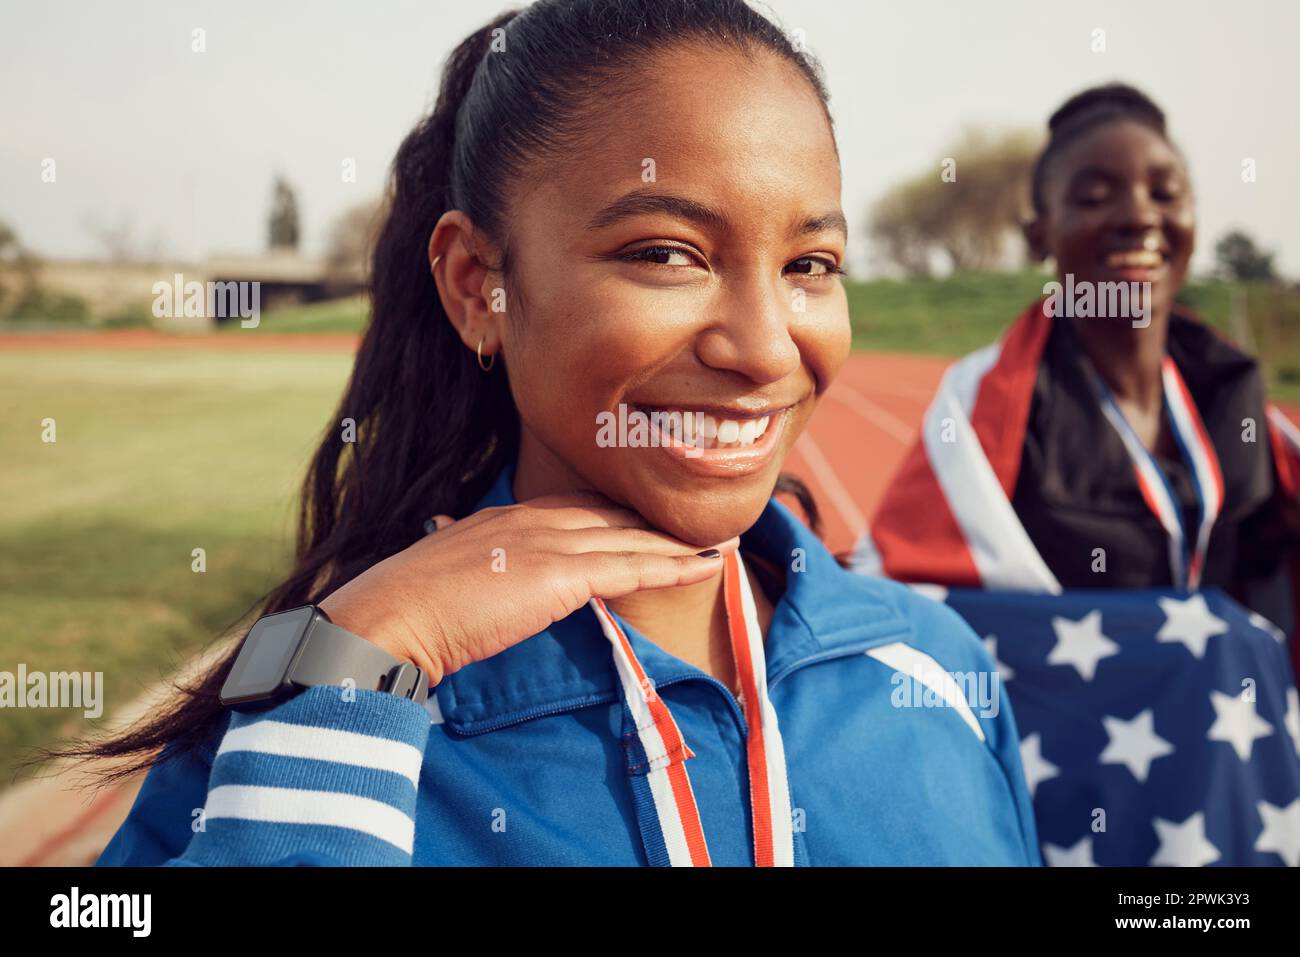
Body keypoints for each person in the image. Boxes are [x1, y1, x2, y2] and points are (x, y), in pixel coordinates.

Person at [84, 0, 1039, 867]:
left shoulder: (936, 666)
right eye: (666, 253)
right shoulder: (312, 721)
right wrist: (363, 657)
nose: (762, 346)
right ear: (478, 285)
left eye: (810, 263)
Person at [854, 83, 1300, 866]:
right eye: (1095, 196)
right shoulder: (990, 408)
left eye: (1167, 191)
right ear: (1038, 236)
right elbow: (911, 606)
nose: (1139, 215)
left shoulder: (1238, 403)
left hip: (1237, 798)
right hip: (1081, 794)